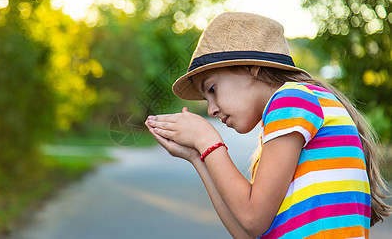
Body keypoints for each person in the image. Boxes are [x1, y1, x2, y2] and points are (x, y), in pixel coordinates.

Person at [144, 12, 390, 238]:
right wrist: (198, 157)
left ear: (252, 68)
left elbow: (252, 218)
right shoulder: (293, 110)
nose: (211, 109)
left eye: (212, 89)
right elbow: (249, 232)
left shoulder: (291, 99)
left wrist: (208, 140)